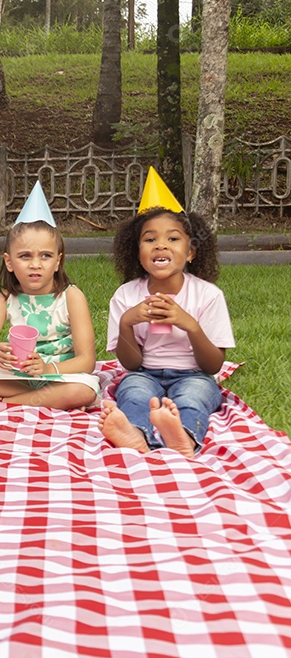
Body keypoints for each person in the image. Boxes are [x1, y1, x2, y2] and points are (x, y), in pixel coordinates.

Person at [98, 168, 234, 458]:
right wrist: (127, 323)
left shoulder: (207, 295)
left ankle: (182, 437)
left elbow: (213, 366)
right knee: (133, 393)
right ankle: (135, 434)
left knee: (194, 397)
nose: (160, 244)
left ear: (192, 252)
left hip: (194, 374)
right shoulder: (126, 296)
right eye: (150, 239)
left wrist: (190, 325)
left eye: (173, 239)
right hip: (145, 372)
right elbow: (130, 364)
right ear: (137, 252)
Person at [0, 183, 100, 408]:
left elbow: (87, 361)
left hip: (59, 374)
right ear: (9, 262)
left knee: (85, 389)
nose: (35, 264)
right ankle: (39, 400)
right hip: (19, 376)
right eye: (25, 256)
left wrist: (49, 369)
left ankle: (1, 402)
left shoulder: (71, 296)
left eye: (45, 256)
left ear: (58, 261)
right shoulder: (5, 299)